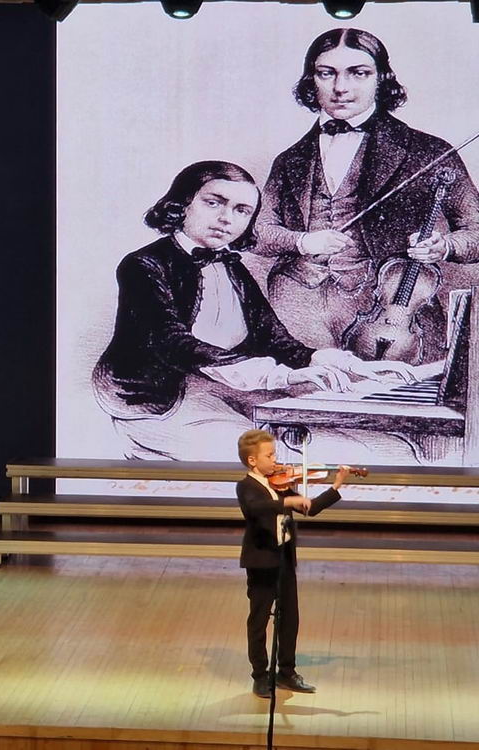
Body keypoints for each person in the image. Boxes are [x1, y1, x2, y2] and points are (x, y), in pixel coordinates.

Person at [92, 160, 415, 461]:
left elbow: (275, 339)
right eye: (213, 203)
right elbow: (173, 343)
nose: (227, 219)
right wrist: (280, 375)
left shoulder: (233, 268)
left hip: (226, 390)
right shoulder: (143, 265)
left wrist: (348, 365)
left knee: (358, 448)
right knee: (281, 460)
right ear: (182, 203)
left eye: (242, 210)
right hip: (156, 400)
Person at [256, 28, 479, 360]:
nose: (340, 87)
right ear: (311, 80)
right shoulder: (289, 160)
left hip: (388, 312)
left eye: (358, 73)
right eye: (326, 73)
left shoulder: (428, 151)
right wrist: (302, 241)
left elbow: (476, 231)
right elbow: (256, 234)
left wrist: (444, 246)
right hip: (297, 302)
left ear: (380, 79)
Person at [236, 428, 350, 698]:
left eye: (274, 454)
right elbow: (256, 508)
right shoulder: (246, 486)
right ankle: (260, 676)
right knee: (259, 620)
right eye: (269, 455)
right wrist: (287, 499)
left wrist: (336, 486)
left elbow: (310, 507)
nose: (275, 459)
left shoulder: (280, 484)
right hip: (261, 562)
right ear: (252, 460)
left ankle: (286, 672)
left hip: (284, 559)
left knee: (290, 618)